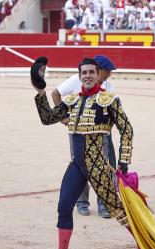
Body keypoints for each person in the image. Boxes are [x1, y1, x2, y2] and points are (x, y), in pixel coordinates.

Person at [33, 58, 146, 249]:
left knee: (117, 209)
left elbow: (126, 129)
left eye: (91, 72)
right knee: (64, 206)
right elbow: (47, 118)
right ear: (79, 76)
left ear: (97, 74)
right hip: (77, 165)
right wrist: (40, 92)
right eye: (83, 73)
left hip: (98, 166)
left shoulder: (108, 100)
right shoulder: (72, 101)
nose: (87, 76)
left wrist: (124, 160)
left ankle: (142, 248)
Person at [51, 55, 116, 219]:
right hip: (78, 134)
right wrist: (63, 117)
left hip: (99, 135)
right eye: (107, 71)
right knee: (80, 166)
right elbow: (55, 93)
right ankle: (82, 204)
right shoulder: (76, 80)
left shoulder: (108, 85)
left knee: (102, 167)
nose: (109, 74)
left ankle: (104, 205)